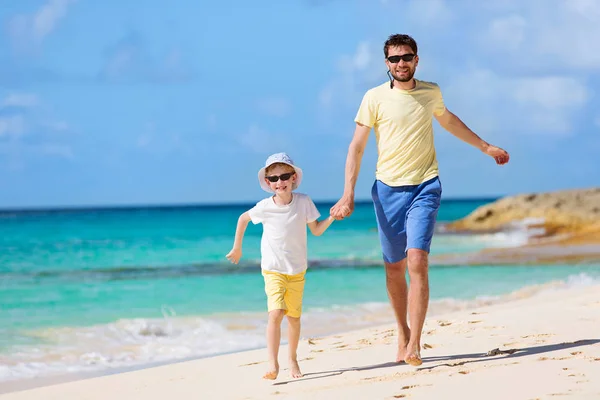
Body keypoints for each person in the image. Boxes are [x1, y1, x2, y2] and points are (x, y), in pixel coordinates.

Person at [330, 34, 510, 367]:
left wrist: (486, 147)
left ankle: (414, 344)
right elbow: (356, 147)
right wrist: (347, 193)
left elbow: (450, 121)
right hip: (386, 191)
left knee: (417, 261)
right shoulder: (373, 98)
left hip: (425, 186)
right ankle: (402, 331)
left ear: (416, 60)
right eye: (395, 59)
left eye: (407, 57)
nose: (401, 63)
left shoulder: (431, 92)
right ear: (386, 64)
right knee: (394, 269)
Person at [226, 152, 335, 380]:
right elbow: (243, 219)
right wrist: (237, 248)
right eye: (274, 178)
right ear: (268, 182)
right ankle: (272, 364)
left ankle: (292, 359)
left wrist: (333, 217)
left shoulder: (303, 201)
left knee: (293, 318)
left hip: (297, 270)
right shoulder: (265, 207)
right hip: (273, 269)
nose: (280, 182)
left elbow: (315, 230)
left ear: (294, 177)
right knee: (276, 313)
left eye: (284, 176)